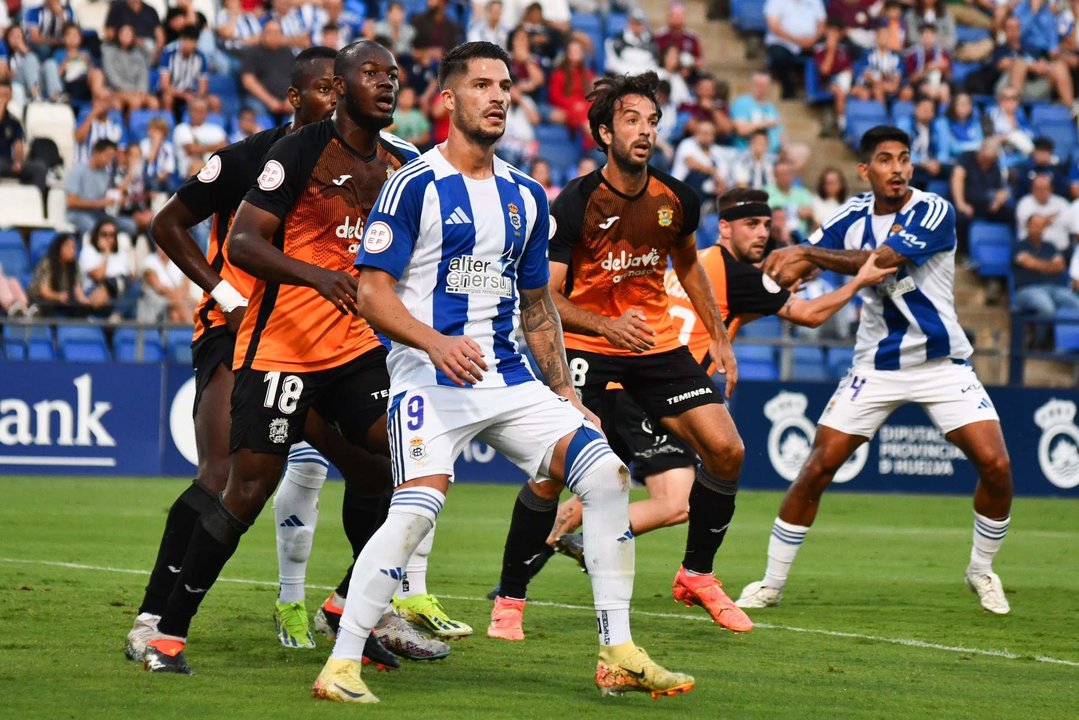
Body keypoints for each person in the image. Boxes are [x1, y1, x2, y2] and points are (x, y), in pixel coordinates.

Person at [316, 44, 695, 704]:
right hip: (428, 379)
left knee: (604, 472)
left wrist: (566, 394)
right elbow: (372, 293)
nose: (497, 95)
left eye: (505, 85)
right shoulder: (414, 184)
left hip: (510, 379)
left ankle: (616, 649)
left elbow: (536, 305)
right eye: (482, 84)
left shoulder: (524, 194)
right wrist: (433, 342)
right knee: (416, 509)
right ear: (448, 100)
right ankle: (341, 665)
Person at [139, 41, 458, 677]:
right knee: (243, 486)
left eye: (394, 76)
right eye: (371, 74)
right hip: (277, 345)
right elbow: (243, 242)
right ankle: (166, 630)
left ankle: (349, 607)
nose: (388, 85)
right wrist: (312, 279)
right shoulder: (288, 154)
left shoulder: (402, 165)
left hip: (355, 347)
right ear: (335, 88)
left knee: (405, 465)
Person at [499, 188, 896, 603]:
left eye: (766, 225)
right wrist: (859, 283)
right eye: (751, 225)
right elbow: (806, 314)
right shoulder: (734, 274)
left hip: (623, 381)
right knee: (676, 503)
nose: (762, 233)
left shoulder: (703, 263)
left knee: (567, 479)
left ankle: (513, 585)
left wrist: (786, 280)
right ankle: (582, 535)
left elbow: (749, 301)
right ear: (724, 228)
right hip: (659, 391)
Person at [488, 69, 752, 646]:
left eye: (652, 121)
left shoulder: (676, 198)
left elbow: (686, 264)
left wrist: (720, 337)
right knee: (552, 475)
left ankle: (697, 574)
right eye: (631, 120)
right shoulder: (576, 203)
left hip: (656, 346)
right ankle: (509, 597)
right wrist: (607, 323)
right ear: (604, 132)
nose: (644, 131)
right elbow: (547, 298)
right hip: (587, 347)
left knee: (728, 450)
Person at [741, 125, 1015, 616]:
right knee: (816, 468)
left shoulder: (933, 210)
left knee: (996, 466)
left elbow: (880, 261)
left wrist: (805, 254)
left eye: (905, 159)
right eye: (886, 160)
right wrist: (766, 283)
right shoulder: (850, 216)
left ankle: (981, 569)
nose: (898, 169)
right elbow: (803, 264)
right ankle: (771, 583)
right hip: (876, 365)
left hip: (941, 362)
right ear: (865, 171)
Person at [1013, 199, 1079, 347]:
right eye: (1034, 225)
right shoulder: (1019, 245)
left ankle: (1070, 346)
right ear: (1027, 227)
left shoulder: (1050, 246)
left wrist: (1035, 264)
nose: (1038, 229)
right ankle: (1039, 343)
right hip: (1027, 290)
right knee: (1047, 308)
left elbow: (1060, 266)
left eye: (1041, 225)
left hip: (1055, 289)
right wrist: (1049, 266)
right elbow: (1026, 263)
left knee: (1076, 304)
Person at [951, 138, 1013, 251]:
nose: (988, 162)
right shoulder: (967, 157)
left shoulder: (994, 164)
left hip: (986, 205)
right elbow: (957, 178)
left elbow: (1002, 190)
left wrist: (997, 202)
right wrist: (961, 204)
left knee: (1009, 212)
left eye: (991, 159)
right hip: (965, 204)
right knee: (961, 218)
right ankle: (963, 252)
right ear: (980, 152)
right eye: (986, 158)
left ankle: (1008, 250)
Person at [66, 138, 130, 238]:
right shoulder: (78, 170)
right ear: (96, 152)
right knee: (96, 229)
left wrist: (116, 201)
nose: (109, 160)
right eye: (107, 156)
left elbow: (108, 198)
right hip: (77, 214)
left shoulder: (106, 175)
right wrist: (98, 203)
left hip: (99, 214)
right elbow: (71, 201)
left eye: (112, 157)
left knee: (129, 225)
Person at [763, 0, 826, 99]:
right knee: (779, 56)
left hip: (811, 43)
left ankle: (821, 91)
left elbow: (822, 24)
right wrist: (797, 40)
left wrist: (813, 40)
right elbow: (774, 26)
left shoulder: (815, 1)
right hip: (784, 42)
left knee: (829, 52)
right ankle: (788, 90)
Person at [0, 80, 48, 202]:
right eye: (0, 96)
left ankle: (35, 205)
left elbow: (18, 145)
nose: (3, 100)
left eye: (6, 96)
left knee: (40, 168)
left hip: (7, 163)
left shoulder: (14, 122)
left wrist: (19, 162)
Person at [241, 19, 296, 123]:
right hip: (260, 100)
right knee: (256, 108)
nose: (274, 36)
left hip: (286, 101)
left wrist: (291, 98)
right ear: (263, 34)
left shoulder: (288, 53)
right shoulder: (253, 52)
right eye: (270, 32)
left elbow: (297, 79)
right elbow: (248, 81)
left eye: (277, 32)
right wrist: (270, 101)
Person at [27, 232, 91, 315]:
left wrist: (85, 301)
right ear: (59, 248)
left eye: (74, 248)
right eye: (68, 247)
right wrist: (58, 296)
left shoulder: (75, 265)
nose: (72, 251)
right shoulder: (48, 263)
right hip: (42, 298)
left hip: (62, 299)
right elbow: (44, 292)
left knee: (81, 308)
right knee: (47, 307)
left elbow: (78, 289)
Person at [80, 217, 134, 312]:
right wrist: (106, 254)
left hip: (120, 291)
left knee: (136, 287)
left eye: (112, 235)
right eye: (104, 234)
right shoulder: (89, 251)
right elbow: (98, 276)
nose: (108, 238)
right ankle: (116, 315)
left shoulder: (122, 254)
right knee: (105, 288)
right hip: (96, 289)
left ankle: (116, 315)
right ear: (97, 235)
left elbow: (130, 277)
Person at [159, 24, 210, 120]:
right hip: (172, 91)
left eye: (192, 42)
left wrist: (196, 96)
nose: (189, 45)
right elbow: (164, 85)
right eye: (186, 41)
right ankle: (168, 126)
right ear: (181, 40)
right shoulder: (169, 52)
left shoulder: (200, 57)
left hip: (190, 92)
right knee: (167, 99)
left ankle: (202, 129)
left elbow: (203, 86)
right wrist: (183, 95)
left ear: (196, 43)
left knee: (213, 102)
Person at [102, 23, 155, 112]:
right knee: (135, 102)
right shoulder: (109, 53)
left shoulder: (138, 54)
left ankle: (152, 125)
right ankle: (129, 125)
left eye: (129, 34)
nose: (126, 37)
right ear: (118, 35)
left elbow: (143, 75)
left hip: (137, 91)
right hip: (117, 90)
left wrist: (141, 90)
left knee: (154, 103)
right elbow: (113, 78)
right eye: (123, 34)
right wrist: (132, 91)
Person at [1016, 172, 1071, 254]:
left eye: (1045, 188)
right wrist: (1052, 218)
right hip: (1032, 251)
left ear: (1051, 189)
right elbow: (1033, 224)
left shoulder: (1062, 203)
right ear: (1032, 189)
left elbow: (1069, 223)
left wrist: (1042, 220)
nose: (1041, 192)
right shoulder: (1024, 203)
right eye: (1038, 188)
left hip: (1061, 251)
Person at [173, 96, 227, 177]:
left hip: (215, 172)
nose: (198, 114)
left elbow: (225, 148)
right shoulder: (182, 129)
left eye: (202, 111)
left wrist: (200, 148)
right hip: (191, 174)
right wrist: (215, 147)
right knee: (197, 166)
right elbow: (191, 149)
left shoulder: (217, 130)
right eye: (195, 110)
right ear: (190, 112)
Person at [765, 160, 815, 237]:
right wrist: (796, 211)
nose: (784, 177)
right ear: (774, 176)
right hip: (775, 236)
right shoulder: (766, 192)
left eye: (787, 174)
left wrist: (782, 212)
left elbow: (809, 212)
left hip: (800, 236)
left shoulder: (802, 193)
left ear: (792, 175)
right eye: (781, 174)